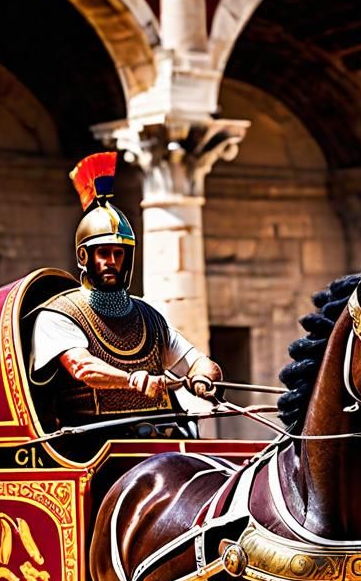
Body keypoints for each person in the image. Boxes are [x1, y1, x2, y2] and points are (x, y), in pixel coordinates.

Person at [30, 151, 222, 431]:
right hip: (93, 444)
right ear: (84, 256)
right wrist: (133, 379)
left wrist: (203, 378)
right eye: (103, 253)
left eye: (118, 253)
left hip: (161, 436)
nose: (111, 262)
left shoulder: (149, 317)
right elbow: (83, 368)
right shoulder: (59, 314)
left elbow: (198, 362)